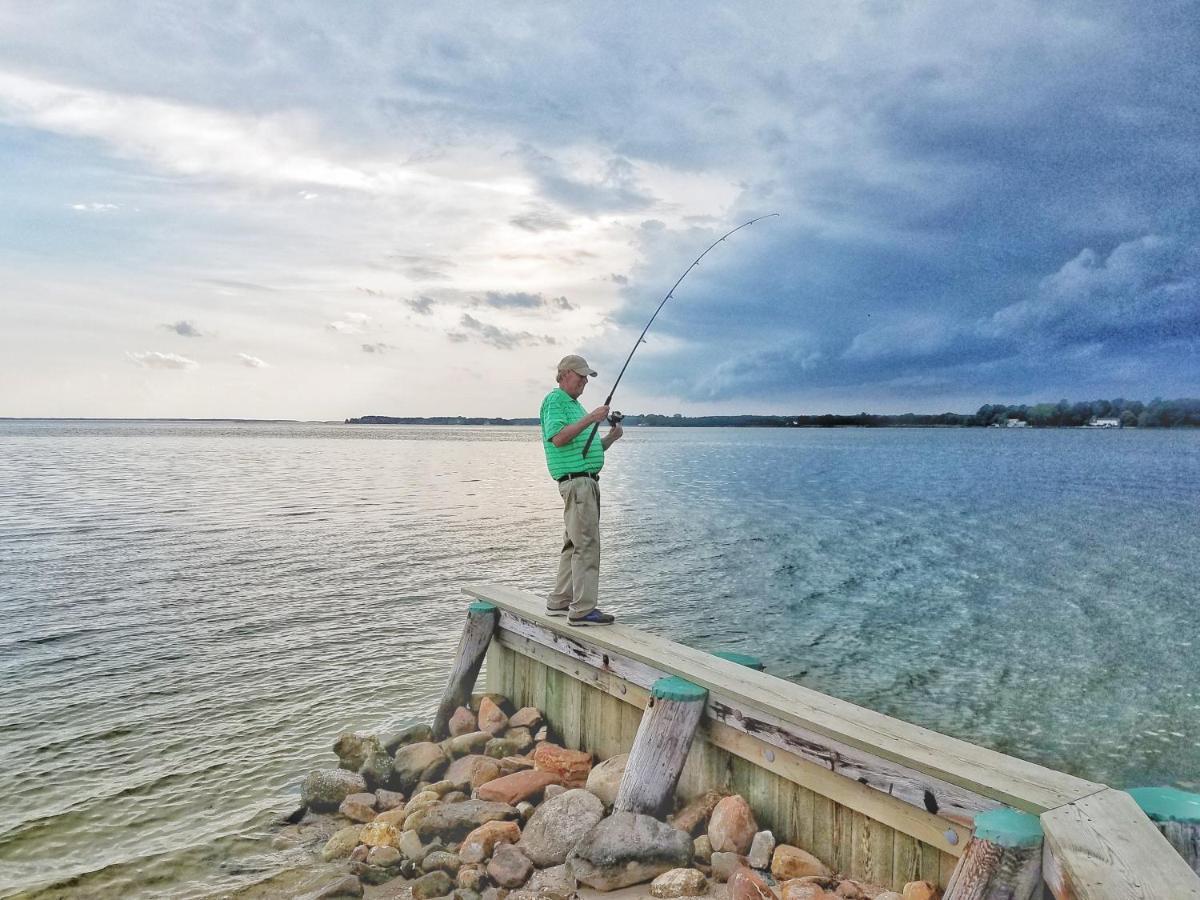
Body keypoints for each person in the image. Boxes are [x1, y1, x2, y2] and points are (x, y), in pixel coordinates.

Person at [540, 354, 623, 626]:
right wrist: (591, 418)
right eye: (581, 376)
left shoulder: (573, 405)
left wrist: (610, 437)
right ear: (564, 374)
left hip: (583, 481)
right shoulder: (556, 401)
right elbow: (560, 438)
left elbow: (583, 449)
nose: (585, 381)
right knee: (587, 545)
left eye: (587, 377)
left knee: (573, 544)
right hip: (578, 484)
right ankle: (583, 610)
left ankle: (561, 600)